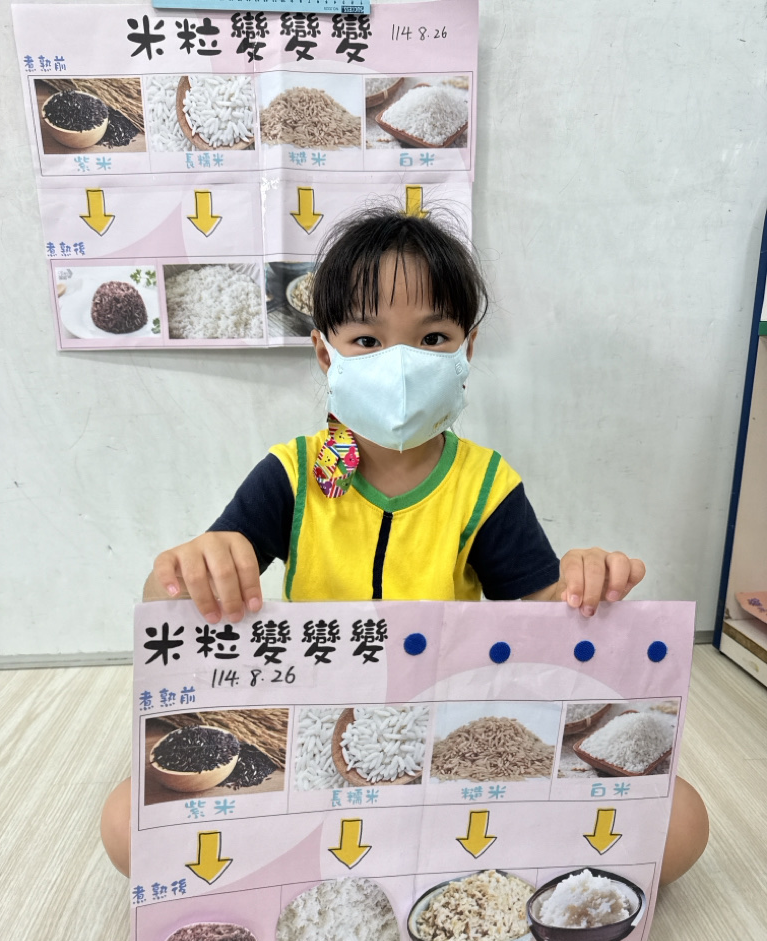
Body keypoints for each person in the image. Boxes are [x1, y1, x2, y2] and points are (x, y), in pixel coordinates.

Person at [100, 209, 708, 883]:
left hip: (450, 738)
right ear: (325, 353)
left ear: (467, 350)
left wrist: (584, 581)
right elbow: (176, 606)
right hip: (319, 736)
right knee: (127, 825)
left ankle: (408, 860)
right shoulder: (297, 474)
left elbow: (542, 614)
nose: (400, 365)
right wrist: (184, 572)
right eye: (367, 339)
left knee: (682, 822)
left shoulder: (484, 484)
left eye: (432, 338)